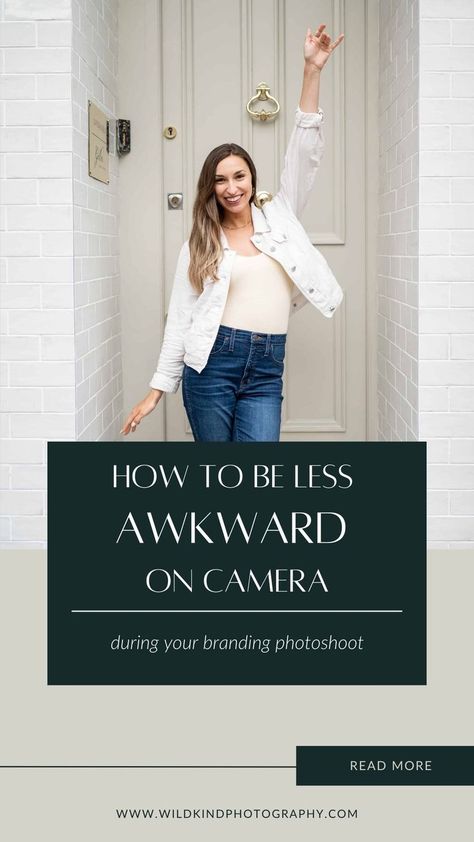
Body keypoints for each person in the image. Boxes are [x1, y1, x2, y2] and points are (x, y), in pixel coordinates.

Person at [121, 23, 344, 441]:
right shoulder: (201, 244)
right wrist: (156, 390)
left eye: (239, 176)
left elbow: (304, 153)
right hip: (211, 365)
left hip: (266, 364)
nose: (232, 187)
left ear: (252, 179)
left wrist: (312, 71)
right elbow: (182, 317)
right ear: (212, 188)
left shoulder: (280, 217)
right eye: (221, 180)